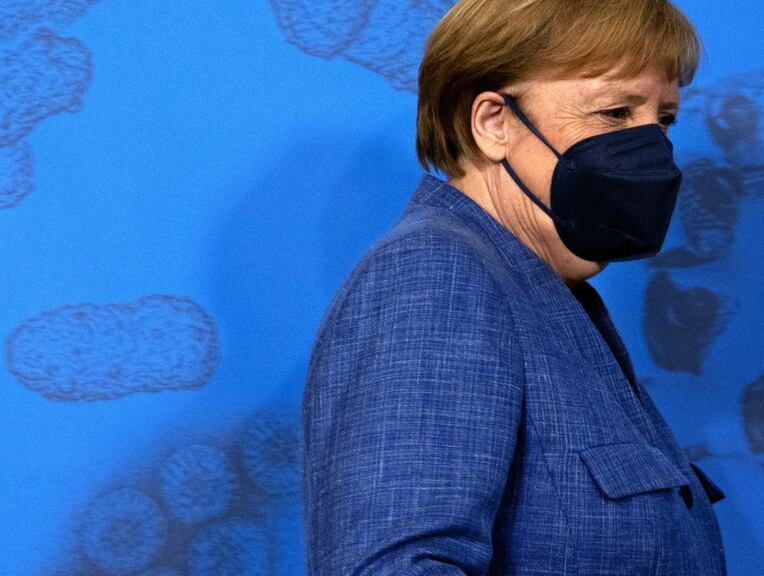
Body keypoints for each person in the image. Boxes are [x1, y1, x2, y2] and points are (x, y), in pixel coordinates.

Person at [302, 0, 727, 573]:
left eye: (664, 120)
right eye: (614, 113)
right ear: (493, 123)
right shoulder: (438, 276)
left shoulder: (550, 299)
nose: (652, 150)